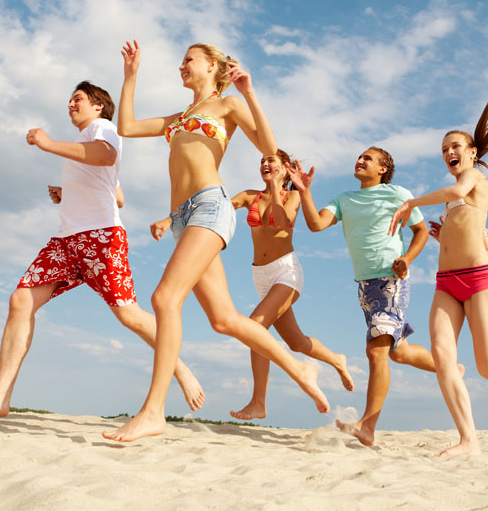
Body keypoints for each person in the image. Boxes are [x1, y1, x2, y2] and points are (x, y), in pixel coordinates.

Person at [102, 41, 328, 443]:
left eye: (189, 60)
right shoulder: (178, 117)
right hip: (182, 218)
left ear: (211, 66)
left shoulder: (226, 106)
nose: (182, 65)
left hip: (210, 206)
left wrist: (249, 93)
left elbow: (268, 147)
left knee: (164, 299)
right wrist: (131, 76)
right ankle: (300, 369)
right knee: (223, 319)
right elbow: (127, 127)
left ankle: (153, 412)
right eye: (181, 61)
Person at [0, 81, 204, 417]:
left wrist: (48, 144)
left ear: (98, 106)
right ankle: (0, 396)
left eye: (78, 99)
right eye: (70, 100)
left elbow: (106, 155)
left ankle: (180, 369)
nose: (71, 104)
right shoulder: (85, 140)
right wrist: (68, 192)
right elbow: (118, 197)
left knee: (129, 315)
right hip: (67, 241)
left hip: (100, 237)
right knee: (21, 300)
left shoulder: (102, 128)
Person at [389, 87, 488, 457]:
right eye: (444, 150)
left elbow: (458, 193)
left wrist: (411, 202)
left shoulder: (473, 177)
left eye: (455, 146)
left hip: (479, 281)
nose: (449, 153)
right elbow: (469, 231)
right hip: (446, 283)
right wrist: (443, 236)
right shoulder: (455, 204)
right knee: (443, 358)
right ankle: (468, 440)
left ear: (472, 152)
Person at [151, 149, 354, 421]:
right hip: (261, 276)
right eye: (262, 161)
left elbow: (281, 223)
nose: (265, 164)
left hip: (286, 273)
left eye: (271, 161)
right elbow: (216, 207)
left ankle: (259, 402)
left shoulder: (293, 196)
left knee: (256, 326)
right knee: (295, 341)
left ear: (285, 168)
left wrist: (276, 187)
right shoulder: (250, 196)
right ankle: (337, 359)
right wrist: (170, 218)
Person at [287, 146, 442, 446]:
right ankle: (448, 366)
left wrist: (407, 259)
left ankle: (367, 426)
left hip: (391, 279)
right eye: (359, 157)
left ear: (383, 168)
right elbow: (316, 224)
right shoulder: (344, 200)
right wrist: (304, 191)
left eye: (368, 158)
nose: (360, 160)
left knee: (375, 352)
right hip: (365, 286)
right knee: (398, 352)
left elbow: (421, 231)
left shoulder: (398, 195)